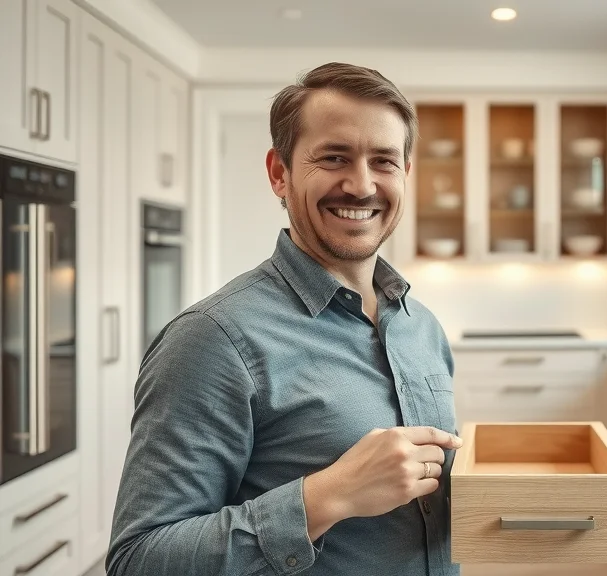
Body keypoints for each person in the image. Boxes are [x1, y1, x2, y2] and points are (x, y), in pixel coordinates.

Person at [105, 62, 463, 576]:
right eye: (334, 157)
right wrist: (327, 496)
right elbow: (138, 560)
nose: (361, 185)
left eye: (383, 161)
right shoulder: (213, 340)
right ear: (280, 172)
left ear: (405, 174)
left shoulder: (420, 325)